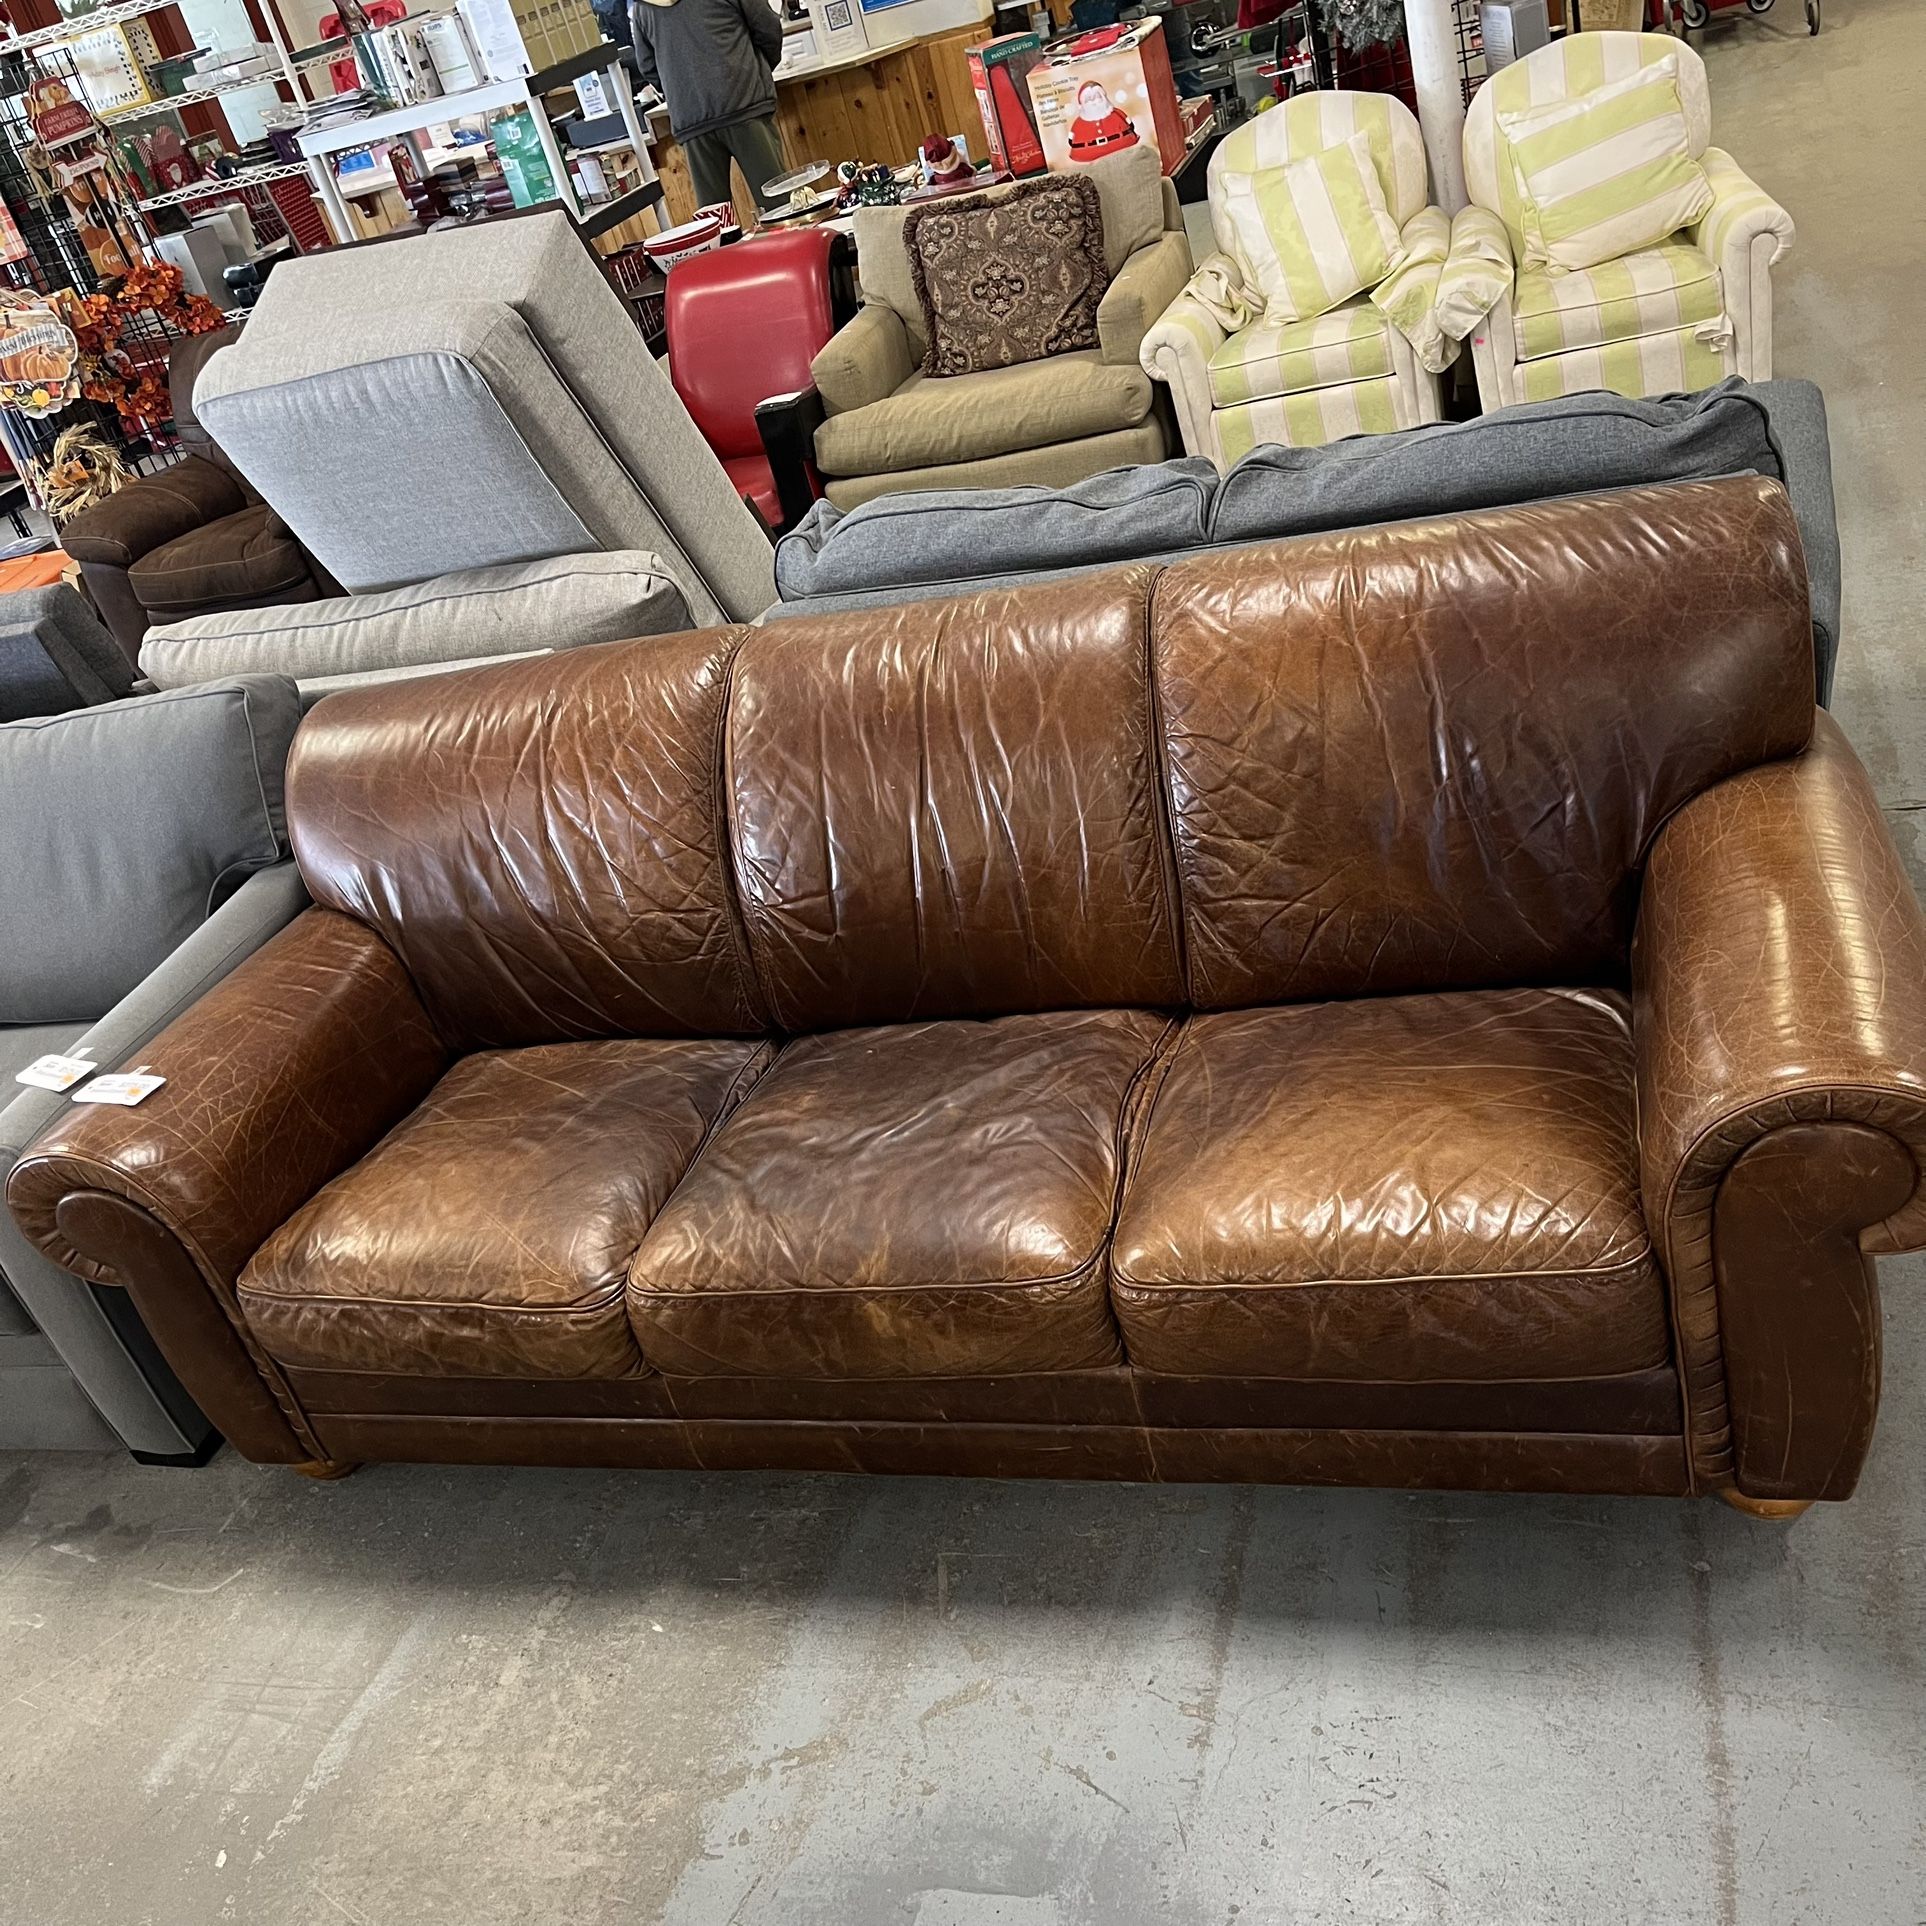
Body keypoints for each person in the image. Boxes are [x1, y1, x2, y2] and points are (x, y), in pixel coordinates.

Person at [628, 0, 788, 214]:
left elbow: (648, 67)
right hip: (743, 103)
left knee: (715, 226)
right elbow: (768, 28)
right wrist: (756, 71)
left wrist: (684, 90)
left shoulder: (643, 7)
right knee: (780, 208)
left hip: (692, 120)